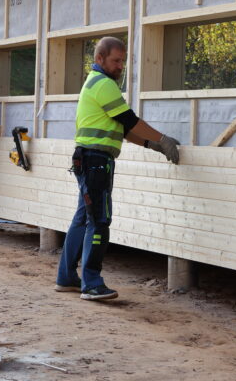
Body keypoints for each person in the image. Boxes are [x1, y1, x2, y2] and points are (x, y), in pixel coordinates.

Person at [56, 36, 180, 301]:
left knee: (83, 218)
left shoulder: (95, 83)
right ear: (99, 58)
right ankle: (91, 284)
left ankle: (66, 277)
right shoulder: (104, 84)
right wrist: (162, 139)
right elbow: (130, 120)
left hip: (87, 159)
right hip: (96, 162)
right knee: (99, 220)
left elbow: (120, 128)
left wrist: (150, 144)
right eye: (116, 60)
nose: (120, 66)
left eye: (122, 61)